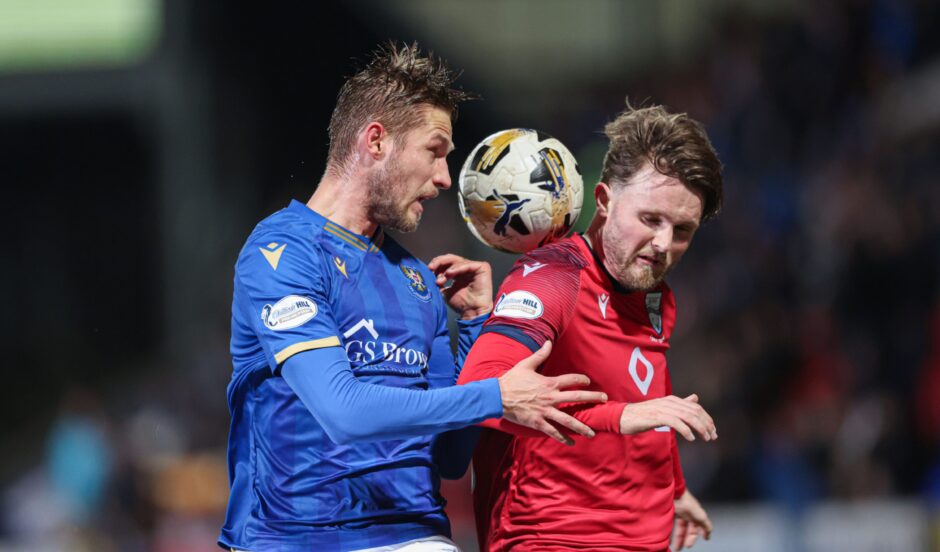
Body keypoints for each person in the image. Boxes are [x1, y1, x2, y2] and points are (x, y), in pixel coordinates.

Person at [217, 43, 607, 552]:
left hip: (416, 533)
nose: (445, 179)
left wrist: (474, 327)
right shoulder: (280, 252)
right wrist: (496, 396)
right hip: (297, 538)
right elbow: (344, 413)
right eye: (435, 150)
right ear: (375, 141)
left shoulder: (418, 283)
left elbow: (449, 457)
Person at [457, 103, 724, 551]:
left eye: (682, 229)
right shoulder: (553, 278)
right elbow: (480, 389)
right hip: (550, 538)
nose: (663, 244)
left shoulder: (655, 296)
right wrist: (621, 417)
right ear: (603, 200)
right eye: (650, 219)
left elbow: (648, 400)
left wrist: (674, 490)